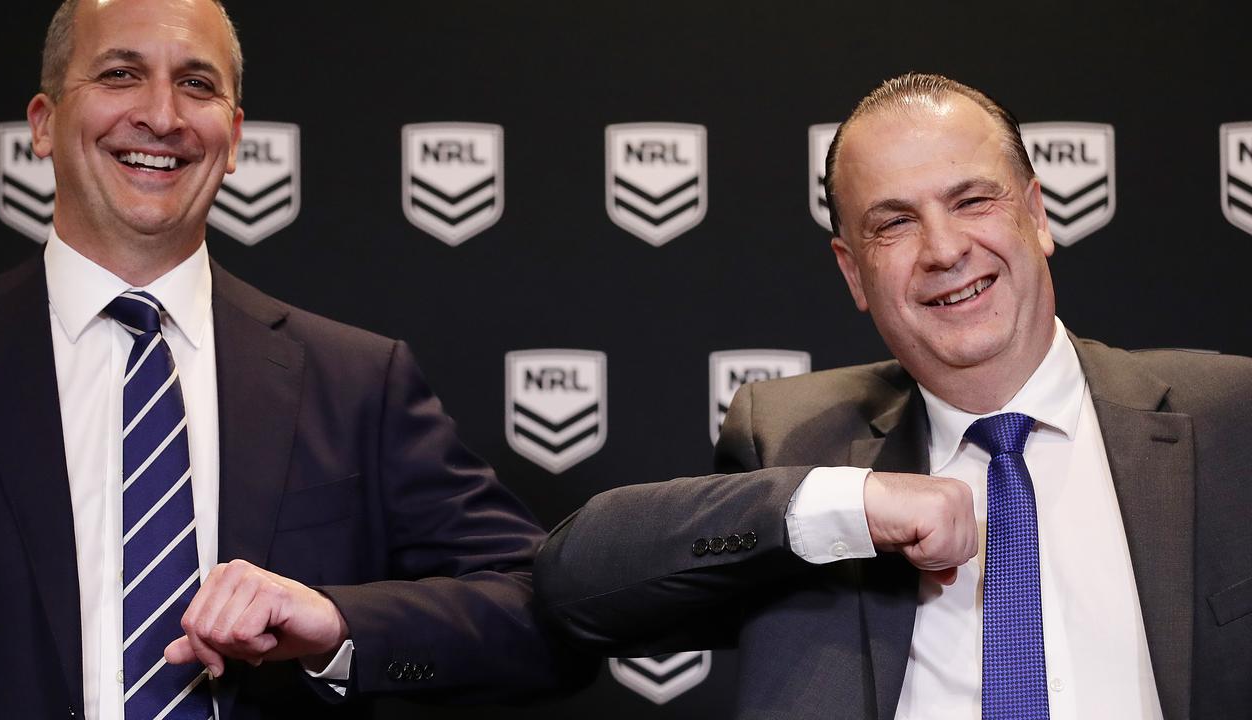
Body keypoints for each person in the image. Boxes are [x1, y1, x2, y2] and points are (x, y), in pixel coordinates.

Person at [535, 73, 1252, 720]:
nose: (943, 250)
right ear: (852, 271)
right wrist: (848, 507)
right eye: (895, 223)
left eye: (971, 200)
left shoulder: (1230, 415)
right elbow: (574, 591)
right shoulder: (795, 437)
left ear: (1036, 215)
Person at [0, 0, 589, 717]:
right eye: (120, 74)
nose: (163, 116)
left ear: (233, 139)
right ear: (44, 123)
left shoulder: (356, 382)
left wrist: (337, 623)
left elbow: (545, 613)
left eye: (198, 85)